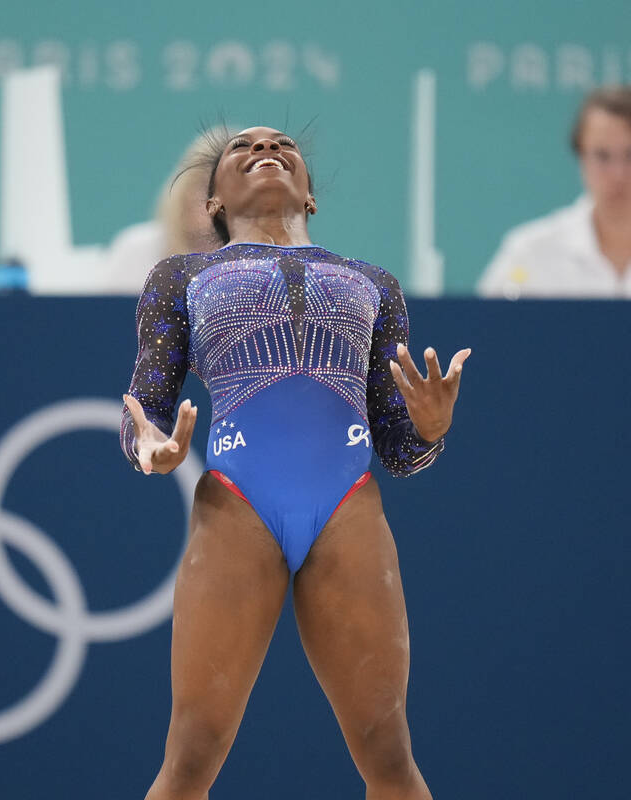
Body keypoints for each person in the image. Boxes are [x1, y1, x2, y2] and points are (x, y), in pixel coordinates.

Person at [121, 126, 471, 799]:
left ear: (309, 193)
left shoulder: (375, 284)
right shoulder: (181, 277)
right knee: (192, 756)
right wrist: (150, 449)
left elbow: (399, 448)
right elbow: (146, 403)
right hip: (235, 502)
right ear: (215, 201)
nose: (263, 148)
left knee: (390, 756)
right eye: (240, 150)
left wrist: (430, 429)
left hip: (347, 505)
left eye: (281, 143)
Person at [477, 85, 631, 298]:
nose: (618, 174)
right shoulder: (529, 253)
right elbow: (484, 327)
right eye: (602, 156)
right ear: (581, 155)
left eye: (630, 155)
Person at [97, 130, 231, 294]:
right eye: (206, 187)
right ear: (183, 192)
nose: (217, 201)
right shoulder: (138, 251)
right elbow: (106, 316)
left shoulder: (266, 264)